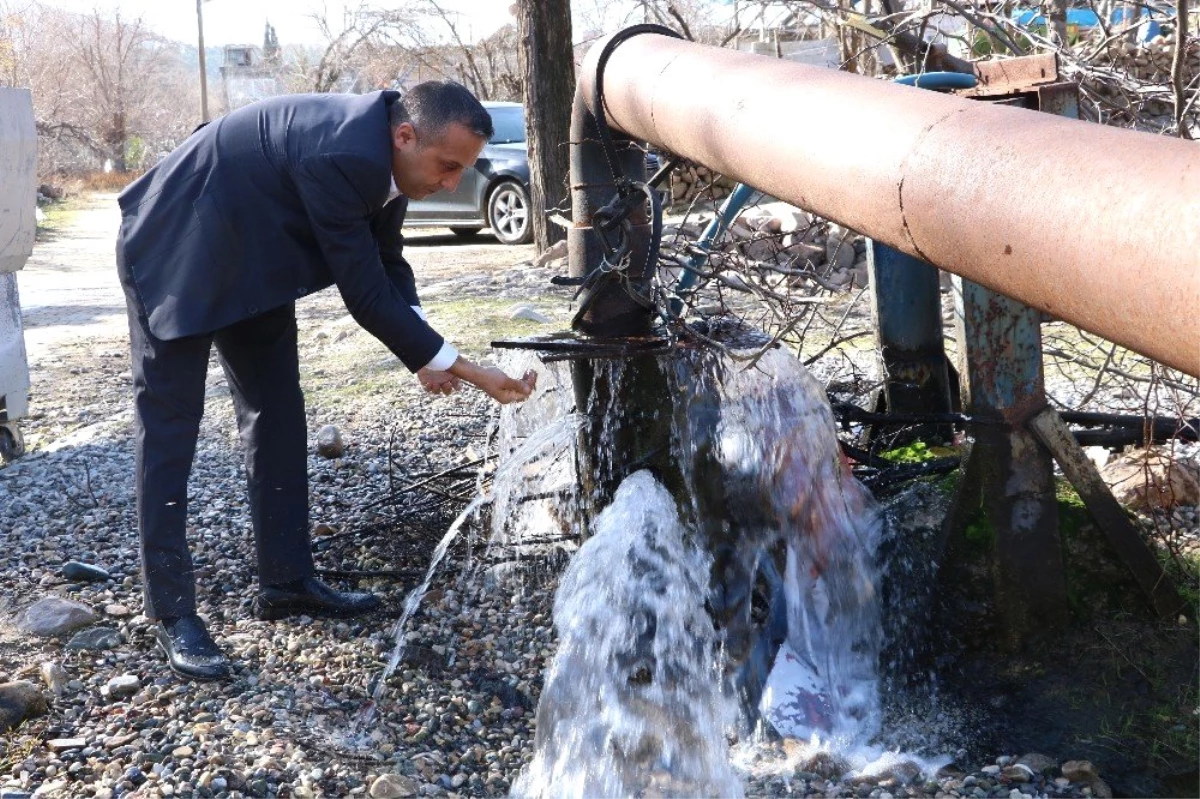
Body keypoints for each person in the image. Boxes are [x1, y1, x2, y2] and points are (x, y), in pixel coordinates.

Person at [116, 81, 537, 681]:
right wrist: (465, 369)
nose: (452, 184)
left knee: (278, 412)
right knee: (170, 425)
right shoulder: (344, 154)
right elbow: (363, 292)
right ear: (405, 135)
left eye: (462, 171)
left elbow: (387, 262)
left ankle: (286, 580)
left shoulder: (391, 158)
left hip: (254, 254)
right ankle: (172, 611)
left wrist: (427, 353)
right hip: (175, 243)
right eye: (448, 167)